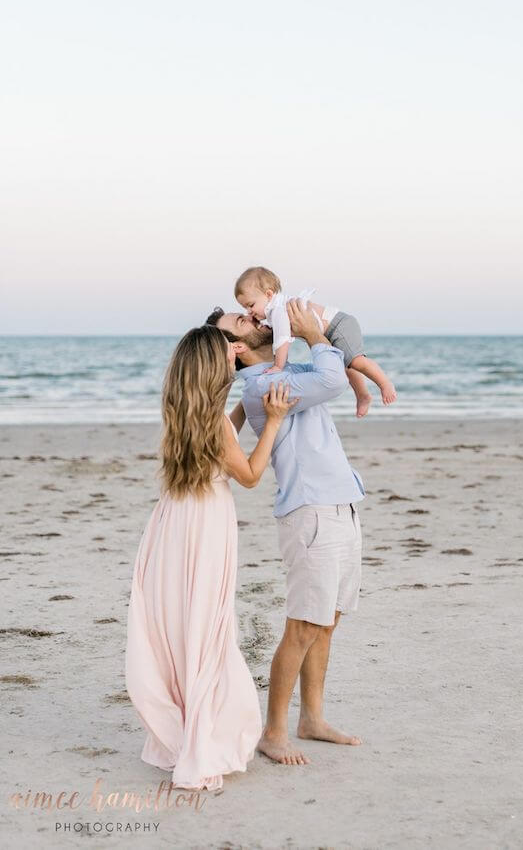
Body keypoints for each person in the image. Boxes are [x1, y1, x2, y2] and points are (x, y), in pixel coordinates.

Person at [125, 325, 297, 790]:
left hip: (174, 522)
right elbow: (249, 474)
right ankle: (205, 733)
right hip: (205, 525)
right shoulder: (214, 422)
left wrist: (245, 406)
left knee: (183, 621)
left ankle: (181, 722)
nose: (235, 359)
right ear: (211, 366)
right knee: (207, 622)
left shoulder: (185, 410)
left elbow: (223, 436)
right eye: (228, 355)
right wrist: (275, 418)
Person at [206, 299, 365, 766]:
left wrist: (317, 328)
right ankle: (274, 731)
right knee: (304, 624)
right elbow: (334, 378)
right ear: (236, 347)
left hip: (341, 502)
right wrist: (315, 333)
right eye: (243, 320)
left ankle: (311, 718)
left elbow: (335, 360)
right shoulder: (267, 386)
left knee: (328, 618)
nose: (256, 318)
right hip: (312, 511)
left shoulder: (282, 370)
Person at [233, 265, 397, 417]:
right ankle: (362, 395)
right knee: (346, 365)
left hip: (337, 325)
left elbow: (283, 340)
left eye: (251, 305)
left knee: (357, 362)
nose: (249, 311)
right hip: (333, 328)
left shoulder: (277, 310)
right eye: (245, 308)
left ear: (268, 294)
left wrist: (278, 365)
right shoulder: (273, 310)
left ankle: (384, 383)